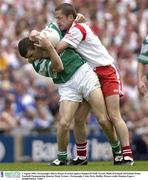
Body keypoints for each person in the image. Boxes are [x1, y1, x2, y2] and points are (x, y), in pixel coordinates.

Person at [18, 29, 118, 166]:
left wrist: (79, 21)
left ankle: (117, 151)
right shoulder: (37, 65)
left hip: (84, 74)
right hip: (66, 85)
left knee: (102, 119)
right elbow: (58, 67)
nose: (30, 59)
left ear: (35, 46)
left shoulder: (49, 36)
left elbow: (64, 25)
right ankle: (63, 158)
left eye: (31, 55)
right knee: (64, 123)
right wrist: (48, 47)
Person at [52, 3, 134, 165]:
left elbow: (58, 48)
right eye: (56, 19)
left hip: (107, 72)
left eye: (60, 18)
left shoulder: (77, 29)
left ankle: (126, 154)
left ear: (70, 18)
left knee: (112, 116)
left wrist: (42, 47)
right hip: (91, 75)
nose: (58, 22)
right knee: (79, 118)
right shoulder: (74, 27)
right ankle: (82, 157)